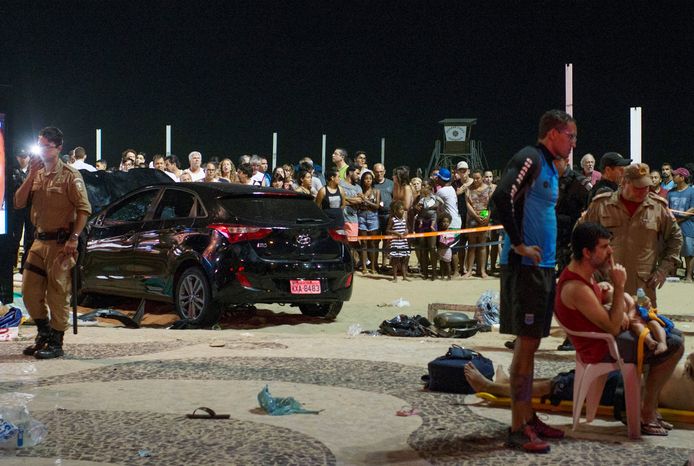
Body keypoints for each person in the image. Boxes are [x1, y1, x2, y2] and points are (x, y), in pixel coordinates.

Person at [490, 109, 576, 453]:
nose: (572, 143)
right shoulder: (529, 157)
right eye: (569, 136)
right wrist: (520, 243)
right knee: (525, 346)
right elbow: (500, 197)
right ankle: (516, 425)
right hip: (524, 266)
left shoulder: (551, 167)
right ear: (553, 133)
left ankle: (527, 416)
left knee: (533, 345)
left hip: (543, 268)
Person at [554, 222, 684, 436]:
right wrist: (620, 285)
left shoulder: (586, 276)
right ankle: (646, 411)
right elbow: (613, 327)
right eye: (604, 247)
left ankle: (646, 407)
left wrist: (611, 295)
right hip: (602, 347)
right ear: (587, 252)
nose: (610, 251)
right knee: (674, 345)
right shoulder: (576, 287)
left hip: (605, 336)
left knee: (671, 334)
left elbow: (604, 307)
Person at [13, 127, 92, 359]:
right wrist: (30, 175)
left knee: (57, 293)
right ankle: (43, 332)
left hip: (61, 244)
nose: (42, 149)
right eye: (40, 144)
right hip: (38, 242)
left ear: (58, 148)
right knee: (29, 290)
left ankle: (56, 341)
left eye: (47, 145)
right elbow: (18, 202)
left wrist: (74, 239)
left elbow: (84, 209)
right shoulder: (36, 173)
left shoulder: (70, 175)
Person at [581, 163, 683, 305]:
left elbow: (675, 238)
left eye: (646, 186)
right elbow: (580, 236)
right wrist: (585, 269)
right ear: (624, 182)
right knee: (607, 325)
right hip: (607, 286)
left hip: (643, 289)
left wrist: (664, 269)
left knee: (645, 326)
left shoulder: (658, 207)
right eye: (638, 187)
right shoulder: (602, 205)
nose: (643, 191)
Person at [464, 352, 694, 413]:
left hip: (627, 392)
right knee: (566, 378)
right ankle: (509, 382)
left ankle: (491, 387)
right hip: (632, 381)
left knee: (557, 386)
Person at [463, 169, 493, 279]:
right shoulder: (468, 189)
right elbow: (467, 204)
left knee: (482, 245)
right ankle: (469, 270)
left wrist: (487, 217)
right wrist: (476, 216)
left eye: (478, 178)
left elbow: (490, 205)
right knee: (471, 245)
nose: (476, 180)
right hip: (472, 218)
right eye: (474, 178)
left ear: (482, 178)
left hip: (485, 218)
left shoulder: (489, 189)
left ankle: (482, 271)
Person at [9, 151, 35, 273]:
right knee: (15, 236)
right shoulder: (11, 171)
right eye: (20, 156)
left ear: (29, 157)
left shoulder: (34, 171)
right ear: (17, 157)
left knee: (30, 237)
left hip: (30, 208)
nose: (23, 159)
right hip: (16, 209)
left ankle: (25, 265)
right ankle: (12, 264)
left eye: (25, 157)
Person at [667, 167, 694, 282]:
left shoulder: (691, 192)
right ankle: (673, 275)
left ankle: (688, 276)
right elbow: (666, 208)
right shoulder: (670, 192)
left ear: (682, 178)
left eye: (675, 175)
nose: (673, 177)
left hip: (687, 227)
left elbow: (692, 210)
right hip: (673, 227)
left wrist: (678, 220)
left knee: (689, 252)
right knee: (672, 251)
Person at [413, 179, 440, 280]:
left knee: (432, 248)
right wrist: (416, 208)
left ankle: (434, 272)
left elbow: (440, 207)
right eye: (422, 185)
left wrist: (433, 207)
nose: (423, 187)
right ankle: (424, 272)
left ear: (430, 187)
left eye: (425, 185)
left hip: (432, 223)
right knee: (423, 248)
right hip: (421, 224)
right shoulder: (418, 198)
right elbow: (414, 209)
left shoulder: (435, 197)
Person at [357, 170, 380, 274]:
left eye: (370, 179)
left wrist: (365, 200)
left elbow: (377, 206)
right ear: (363, 180)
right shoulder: (359, 190)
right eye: (366, 179)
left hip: (373, 217)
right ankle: (364, 267)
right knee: (364, 243)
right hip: (361, 216)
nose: (368, 181)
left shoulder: (376, 191)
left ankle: (373, 266)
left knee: (373, 243)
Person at [373, 163, 394, 272]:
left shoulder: (391, 183)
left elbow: (394, 199)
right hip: (375, 215)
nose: (379, 174)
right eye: (377, 171)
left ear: (384, 172)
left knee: (386, 241)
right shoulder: (371, 183)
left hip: (388, 215)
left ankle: (384, 264)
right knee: (375, 241)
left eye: (381, 171)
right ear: (374, 172)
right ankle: (375, 264)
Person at [386, 200, 410, 282]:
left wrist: (407, 231)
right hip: (396, 242)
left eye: (403, 209)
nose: (402, 211)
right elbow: (388, 230)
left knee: (404, 259)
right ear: (395, 211)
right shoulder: (392, 219)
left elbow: (406, 228)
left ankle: (404, 276)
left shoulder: (404, 219)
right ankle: (395, 277)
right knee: (395, 261)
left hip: (403, 242)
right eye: (400, 209)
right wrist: (396, 233)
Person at [436, 212, 455, 280]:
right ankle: (442, 275)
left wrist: (446, 242)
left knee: (447, 264)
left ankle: (449, 276)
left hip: (447, 250)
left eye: (447, 222)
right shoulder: (439, 231)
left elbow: (452, 240)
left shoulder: (450, 231)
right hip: (440, 249)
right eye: (444, 221)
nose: (445, 223)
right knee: (441, 263)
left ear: (449, 223)